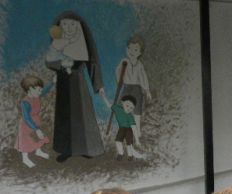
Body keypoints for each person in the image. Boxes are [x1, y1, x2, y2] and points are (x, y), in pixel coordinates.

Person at [45, 11, 104, 162]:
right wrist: (61, 64)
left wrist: (98, 85)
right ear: (60, 26)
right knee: (65, 116)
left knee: (83, 115)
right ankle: (66, 150)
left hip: (78, 81)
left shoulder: (82, 40)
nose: (69, 27)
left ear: (79, 27)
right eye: (65, 24)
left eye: (73, 24)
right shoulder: (58, 42)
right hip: (64, 81)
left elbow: (92, 61)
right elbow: (49, 60)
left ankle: (86, 149)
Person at [115, 35, 152, 134]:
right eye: (130, 48)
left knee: (137, 110)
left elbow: (143, 77)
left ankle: (137, 131)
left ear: (140, 53)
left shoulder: (139, 65)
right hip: (126, 87)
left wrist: (147, 90)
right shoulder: (124, 62)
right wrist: (119, 81)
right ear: (126, 49)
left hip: (136, 89)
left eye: (135, 50)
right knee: (121, 107)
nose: (132, 52)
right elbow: (118, 72)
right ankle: (123, 128)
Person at [15, 75, 53, 168]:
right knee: (26, 141)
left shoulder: (36, 95)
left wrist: (52, 82)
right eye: (38, 90)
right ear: (30, 89)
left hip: (36, 121)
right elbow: (27, 118)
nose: (40, 92)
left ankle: (38, 151)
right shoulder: (25, 102)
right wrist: (36, 129)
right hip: (27, 125)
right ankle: (25, 158)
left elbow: (44, 91)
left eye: (40, 90)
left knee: (38, 138)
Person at [99, 93, 143, 160]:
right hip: (121, 129)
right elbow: (109, 105)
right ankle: (120, 153)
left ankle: (130, 156)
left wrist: (137, 141)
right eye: (127, 105)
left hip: (129, 130)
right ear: (122, 102)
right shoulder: (117, 108)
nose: (129, 109)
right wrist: (103, 97)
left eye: (131, 108)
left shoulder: (130, 116)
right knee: (118, 141)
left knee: (129, 144)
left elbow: (134, 128)